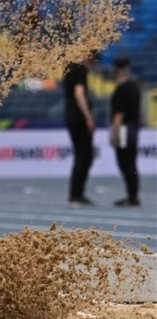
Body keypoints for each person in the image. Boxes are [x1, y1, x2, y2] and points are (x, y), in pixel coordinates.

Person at [63, 51, 98, 208]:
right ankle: (76, 194)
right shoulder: (80, 69)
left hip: (71, 117)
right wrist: (88, 116)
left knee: (82, 156)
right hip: (79, 118)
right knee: (85, 156)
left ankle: (76, 193)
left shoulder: (69, 69)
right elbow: (79, 94)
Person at [109, 57, 141, 207]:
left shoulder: (122, 89)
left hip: (123, 128)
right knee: (131, 163)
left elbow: (118, 115)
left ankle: (131, 196)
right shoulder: (134, 86)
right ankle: (133, 194)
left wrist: (114, 134)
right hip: (133, 127)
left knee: (125, 163)